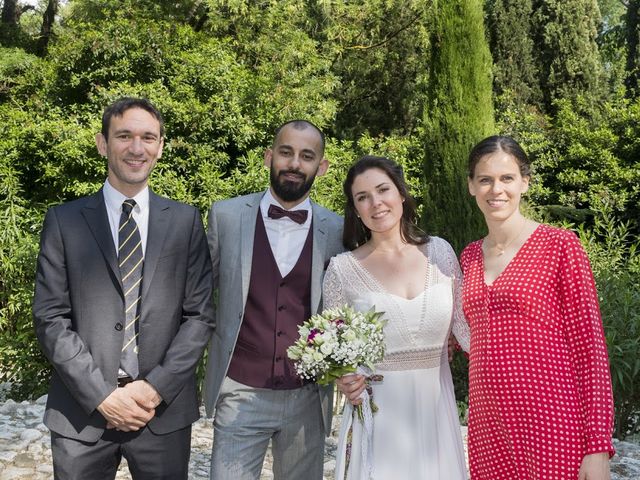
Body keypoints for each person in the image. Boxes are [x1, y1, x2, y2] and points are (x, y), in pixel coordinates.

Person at [32, 97, 215, 479]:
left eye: (148, 137)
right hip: (81, 415)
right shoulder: (64, 221)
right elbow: (51, 318)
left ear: (160, 147)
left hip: (160, 413)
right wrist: (101, 395)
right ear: (103, 143)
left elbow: (199, 317)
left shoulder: (185, 221)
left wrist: (154, 389)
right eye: (124, 136)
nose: (137, 148)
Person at [461, 135, 615, 480]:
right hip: (489, 431)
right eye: (484, 179)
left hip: (552, 424)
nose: (495, 189)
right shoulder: (469, 256)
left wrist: (598, 446)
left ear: (525, 183)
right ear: (471, 186)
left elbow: (589, 348)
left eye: (507, 178)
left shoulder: (560, 246)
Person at [202, 120, 344, 479]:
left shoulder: (339, 229)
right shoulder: (226, 215)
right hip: (239, 390)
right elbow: (198, 299)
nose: (295, 163)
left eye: (307, 156)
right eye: (286, 152)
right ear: (269, 157)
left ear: (321, 167)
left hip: (308, 398)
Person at [324, 155, 470, 479]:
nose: (376, 203)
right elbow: (332, 350)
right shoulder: (342, 271)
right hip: (378, 416)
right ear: (356, 209)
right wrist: (344, 379)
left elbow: (466, 330)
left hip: (436, 415)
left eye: (383, 190)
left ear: (401, 193)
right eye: (363, 197)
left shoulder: (442, 253)